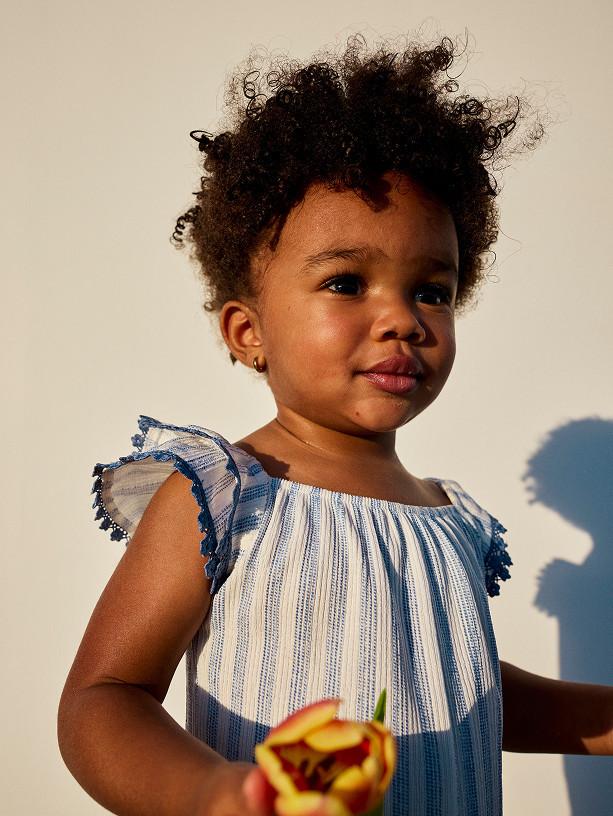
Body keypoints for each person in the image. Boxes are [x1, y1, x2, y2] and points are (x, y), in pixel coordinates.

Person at [57, 31, 613, 816]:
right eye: (347, 282)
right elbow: (104, 697)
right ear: (247, 331)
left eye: (432, 290)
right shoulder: (225, 495)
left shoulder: (449, 517)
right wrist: (218, 793)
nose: (401, 320)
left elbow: (474, 700)